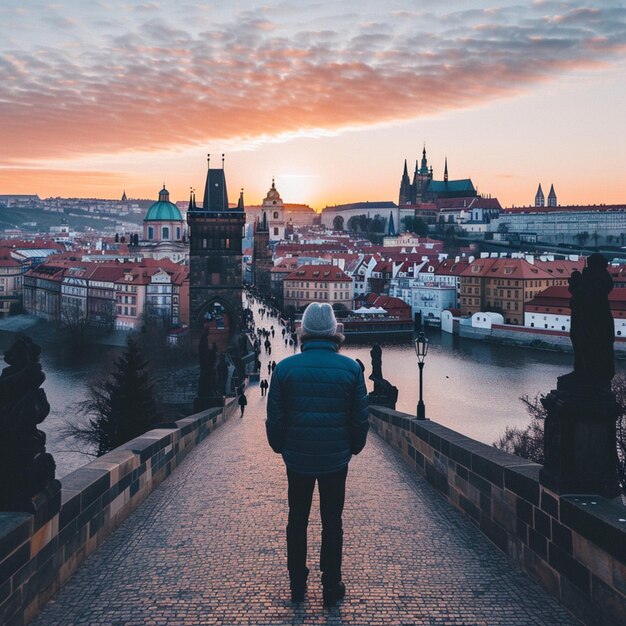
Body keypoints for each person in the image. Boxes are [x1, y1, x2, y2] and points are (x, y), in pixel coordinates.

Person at [266, 302, 369, 607]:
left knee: (296, 520)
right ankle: (330, 585)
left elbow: (275, 418)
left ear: (305, 330)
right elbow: (360, 418)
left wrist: (280, 446)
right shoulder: (352, 368)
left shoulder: (284, 368)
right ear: (333, 330)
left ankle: (297, 583)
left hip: (296, 459)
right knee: (332, 521)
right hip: (336, 460)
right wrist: (353, 447)